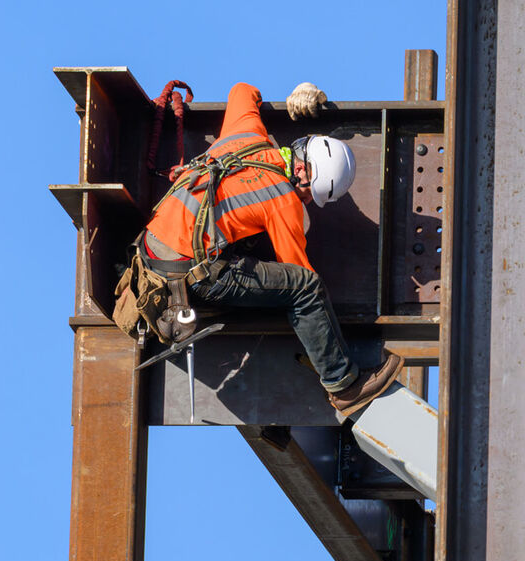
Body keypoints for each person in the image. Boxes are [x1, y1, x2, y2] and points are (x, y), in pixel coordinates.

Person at [138, 80, 403, 415]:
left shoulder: (247, 134)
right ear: (301, 171)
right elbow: (299, 276)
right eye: (309, 194)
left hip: (150, 250)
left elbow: (241, 90)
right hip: (187, 272)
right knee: (306, 288)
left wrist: (299, 91)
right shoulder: (283, 200)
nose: (306, 202)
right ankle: (343, 385)